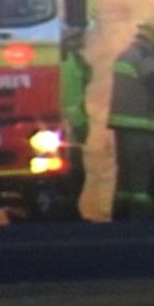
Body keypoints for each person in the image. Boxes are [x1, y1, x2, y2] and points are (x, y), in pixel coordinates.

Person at [108, 17, 154, 220]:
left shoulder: (127, 54)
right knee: (141, 181)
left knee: (126, 179)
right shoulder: (145, 56)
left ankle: (121, 219)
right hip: (143, 128)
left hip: (124, 128)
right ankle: (143, 223)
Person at [59, 29, 93, 220]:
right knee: (73, 172)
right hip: (66, 127)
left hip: (71, 126)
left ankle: (70, 210)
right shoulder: (66, 63)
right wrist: (79, 124)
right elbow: (71, 98)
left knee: (75, 172)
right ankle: (69, 213)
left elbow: (85, 81)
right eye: (74, 40)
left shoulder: (74, 60)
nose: (79, 43)